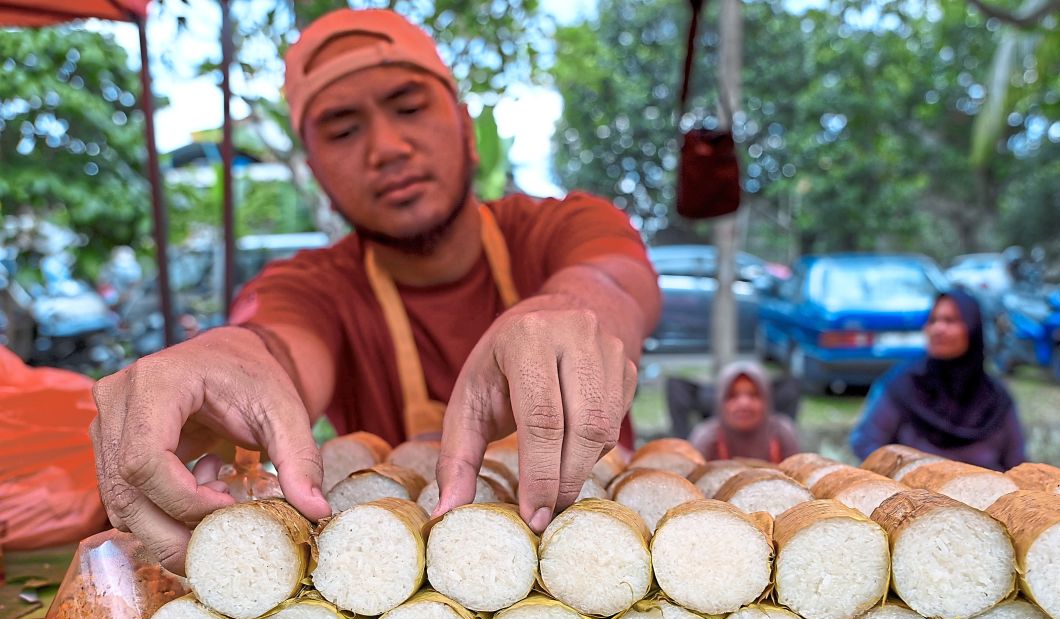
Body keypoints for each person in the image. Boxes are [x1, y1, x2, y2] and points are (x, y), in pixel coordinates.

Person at [89, 9, 661, 573]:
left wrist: (568, 312)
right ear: (315, 168)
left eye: (409, 107)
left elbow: (611, 283)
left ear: (466, 127)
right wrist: (222, 358)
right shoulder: (311, 286)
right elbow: (274, 347)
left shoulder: (568, 226)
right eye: (343, 129)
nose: (386, 147)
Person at [849, 289, 1025, 471]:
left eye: (950, 320)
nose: (938, 329)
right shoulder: (904, 385)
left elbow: (1018, 464)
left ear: (973, 328)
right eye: (932, 320)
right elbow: (866, 443)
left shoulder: (996, 399)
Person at [689, 362, 799, 463]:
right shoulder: (706, 438)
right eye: (733, 395)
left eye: (753, 394)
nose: (744, 404)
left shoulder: (782, 433)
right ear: (720, 402)